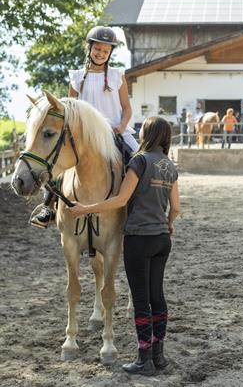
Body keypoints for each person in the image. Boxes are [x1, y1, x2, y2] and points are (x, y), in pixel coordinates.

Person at [69, 116, 180, 376]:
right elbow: (176, 207)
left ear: (147, 135)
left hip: (139, 238)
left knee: (141, 301)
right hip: (162, 239)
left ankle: (143, 359)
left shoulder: (139, 162)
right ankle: (158, 356)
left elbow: (120, 200)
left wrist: (86, 208)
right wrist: (169, 224)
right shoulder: (170, 166)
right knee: (157, 297)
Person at [31, 26, 139, 228]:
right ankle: (49, 207)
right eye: (97, 49)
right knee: (57, 162)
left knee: (139, 161)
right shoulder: (77, 77)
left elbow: (127, 109)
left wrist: (121, 126)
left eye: (106, 51)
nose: (101, 54)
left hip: (115, 132)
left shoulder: (117, 76)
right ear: (89, 48)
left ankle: (137, 209)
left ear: (110, 53)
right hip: (84, 137)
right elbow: (68, 111)